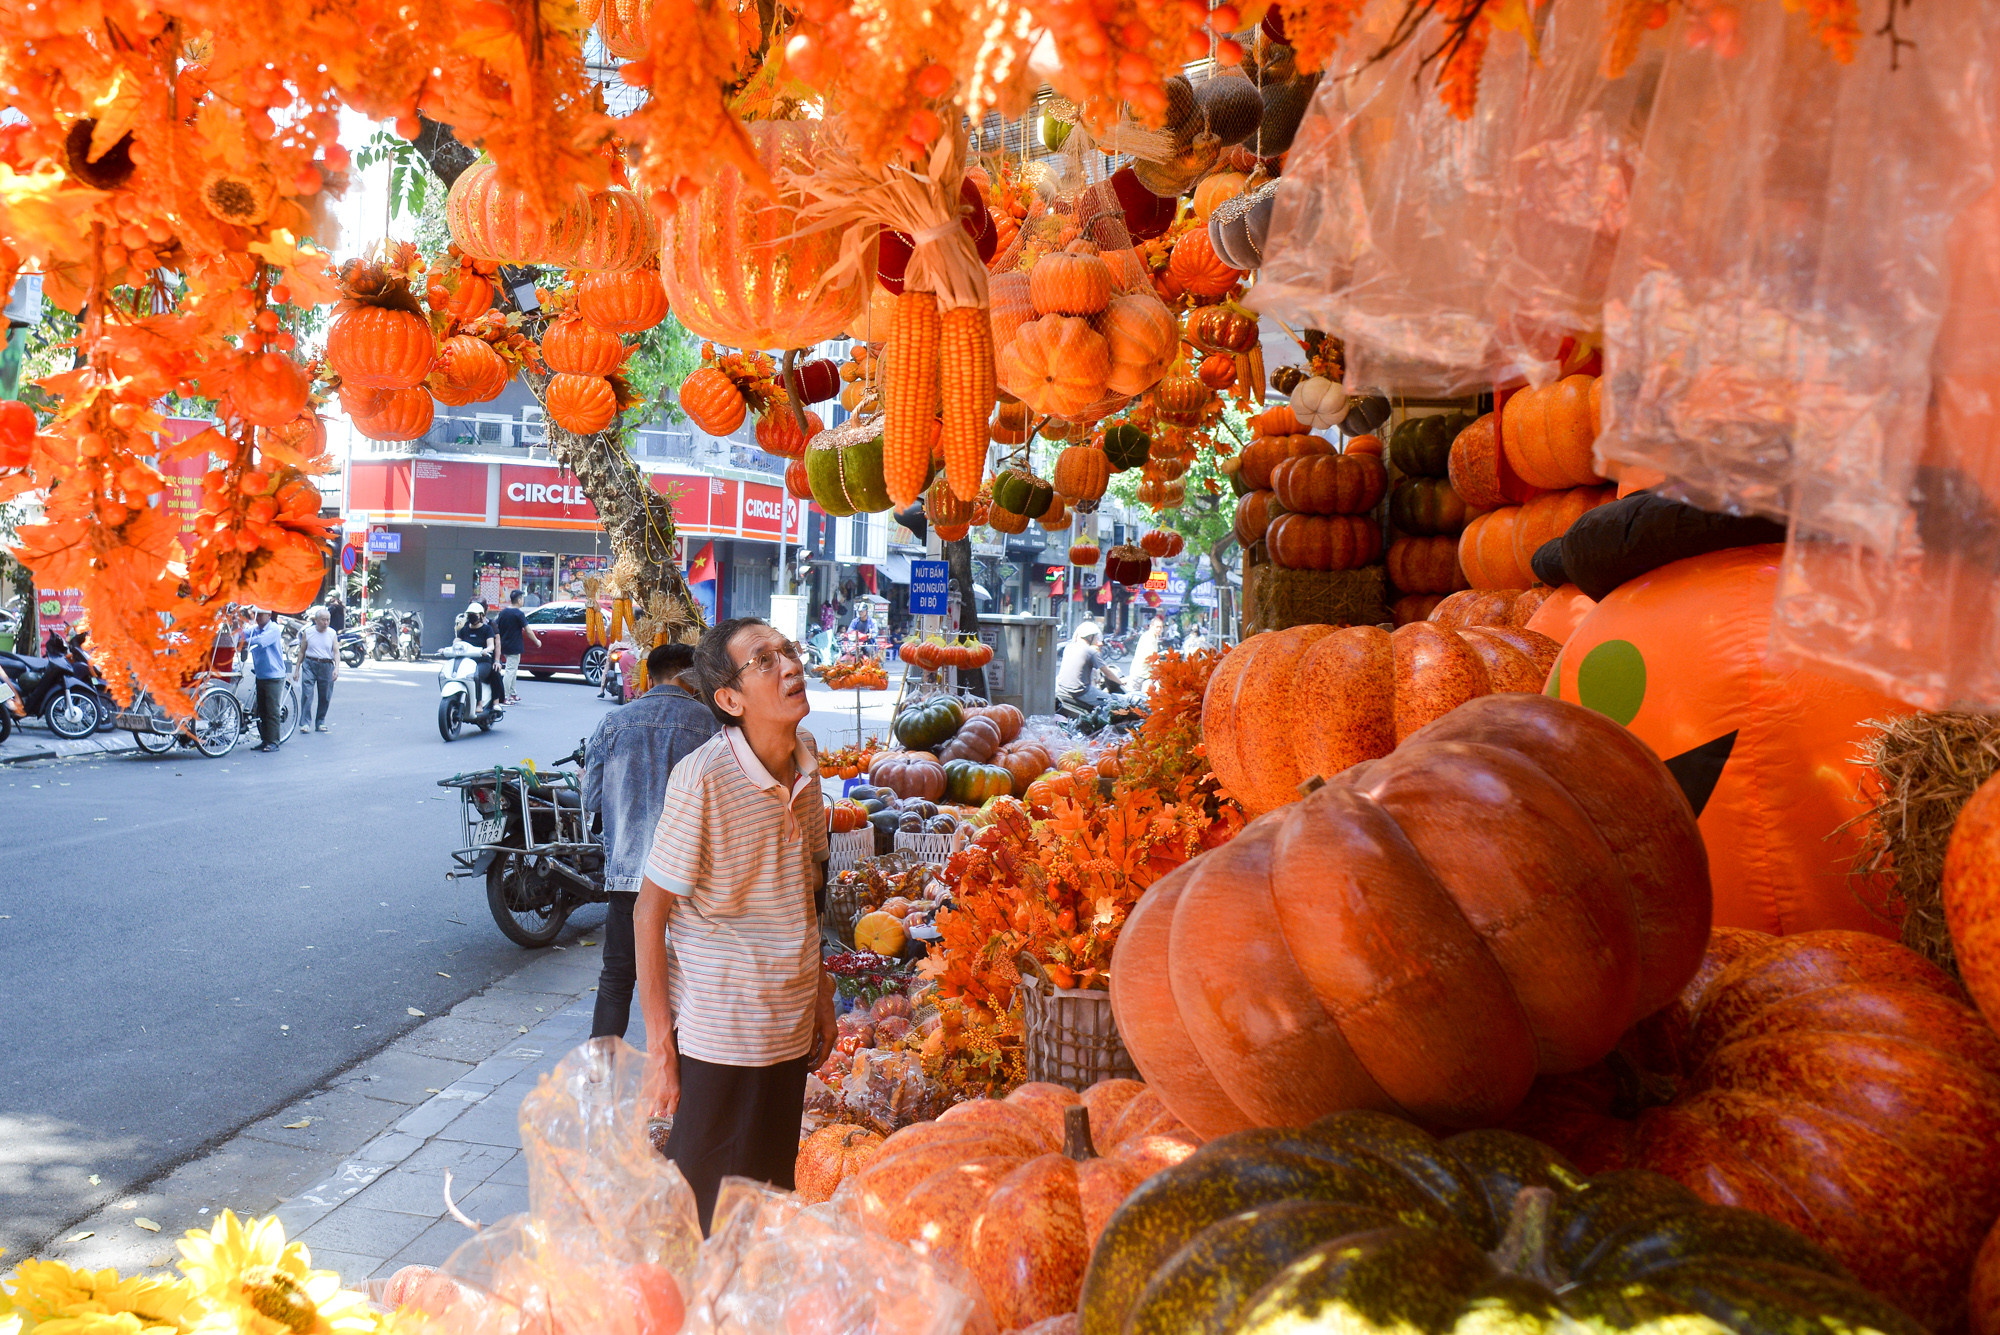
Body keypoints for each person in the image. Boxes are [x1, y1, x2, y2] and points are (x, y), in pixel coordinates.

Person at [635, 617, 834, 1233]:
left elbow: (810, 890)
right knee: (703, 1221)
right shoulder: (703, 777)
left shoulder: (806, 767)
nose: (789, 666)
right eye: (764, 660)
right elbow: (650, 911)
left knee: (766, 1210)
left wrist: (822, 993)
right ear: (729, 699)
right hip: (722, 1036)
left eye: (789, 651)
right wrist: (660, 1049)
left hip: (789, 1027)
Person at [583, 641, 719, 1042]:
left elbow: (591, 798)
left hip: (630, 875)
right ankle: (679, 1083)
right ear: (687, 676)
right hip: (690, 877)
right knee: (687, 981)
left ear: (652, 676)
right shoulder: (710, 725)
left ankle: (600, 1078)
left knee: (617, 976)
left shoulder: (614, 722)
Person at [238, 607, 288, 752]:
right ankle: (265, 739)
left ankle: (273, 742)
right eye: (256, 614)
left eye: (261, 614)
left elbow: (260, 642)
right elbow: (240, 635)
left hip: (274, 675)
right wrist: (237, 623)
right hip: (261, 674)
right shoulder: (255, 629)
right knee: (261, 710)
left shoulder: (273, 629)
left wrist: (246, 641)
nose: (258, 617)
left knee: (272, 711)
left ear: (269, 614)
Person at [1055, 621, 1124, 712]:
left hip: (1061, 688)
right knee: (1114, 701)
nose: (1097, 639)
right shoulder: (1091, 652)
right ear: (1090, 637)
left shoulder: (1069, 647)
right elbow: (1107, 672)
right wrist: (1121, 682)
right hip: (1080, 692)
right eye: (1096, 636)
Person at [453, 602, 504, 712]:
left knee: (475, 675)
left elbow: (492, 645)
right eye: (470, 614)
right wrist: (447, 649)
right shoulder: (464, 629)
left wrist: (486, 650)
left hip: (483, 661)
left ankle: (479, 703)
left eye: (474, 614)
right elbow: (456, 642)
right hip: (466, 661)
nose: (472, 616)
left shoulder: (487, 629)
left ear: (481, 615)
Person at [493, 589, 541, 705]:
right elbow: (528, 630)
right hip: (514, 646)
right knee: (510, 671)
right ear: (519, 600)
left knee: (513, 670)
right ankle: (504, 696)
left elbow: (495, 625)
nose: (523, 600)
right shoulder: (518, 613)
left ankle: (513, 693)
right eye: (522, 598)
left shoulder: (503, 612)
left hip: (505, 645)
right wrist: (536, 641)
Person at [299, 606, 340, 732]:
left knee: (325, 695)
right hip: (310, 663)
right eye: (323, 620)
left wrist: (336, 668)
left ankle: (320, 721)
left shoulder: (332, 633)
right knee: (307, 693)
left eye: (328, 620)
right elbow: (302, 651)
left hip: (326, 665)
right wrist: (296, 669)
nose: (326, 622)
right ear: (316, 620)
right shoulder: (308, 632)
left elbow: (336, 651)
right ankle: (305, 723)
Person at [1126, 615, 1167, 702]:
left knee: (1144, 701)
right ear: (1151, 626)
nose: (1159, 629)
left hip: (1146, 675)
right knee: (1133, 701)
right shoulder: (1149, 638)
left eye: (1161, 627)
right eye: (1157, 627)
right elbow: (1151, 659)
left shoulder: (1154, 637)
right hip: (1139, 674)